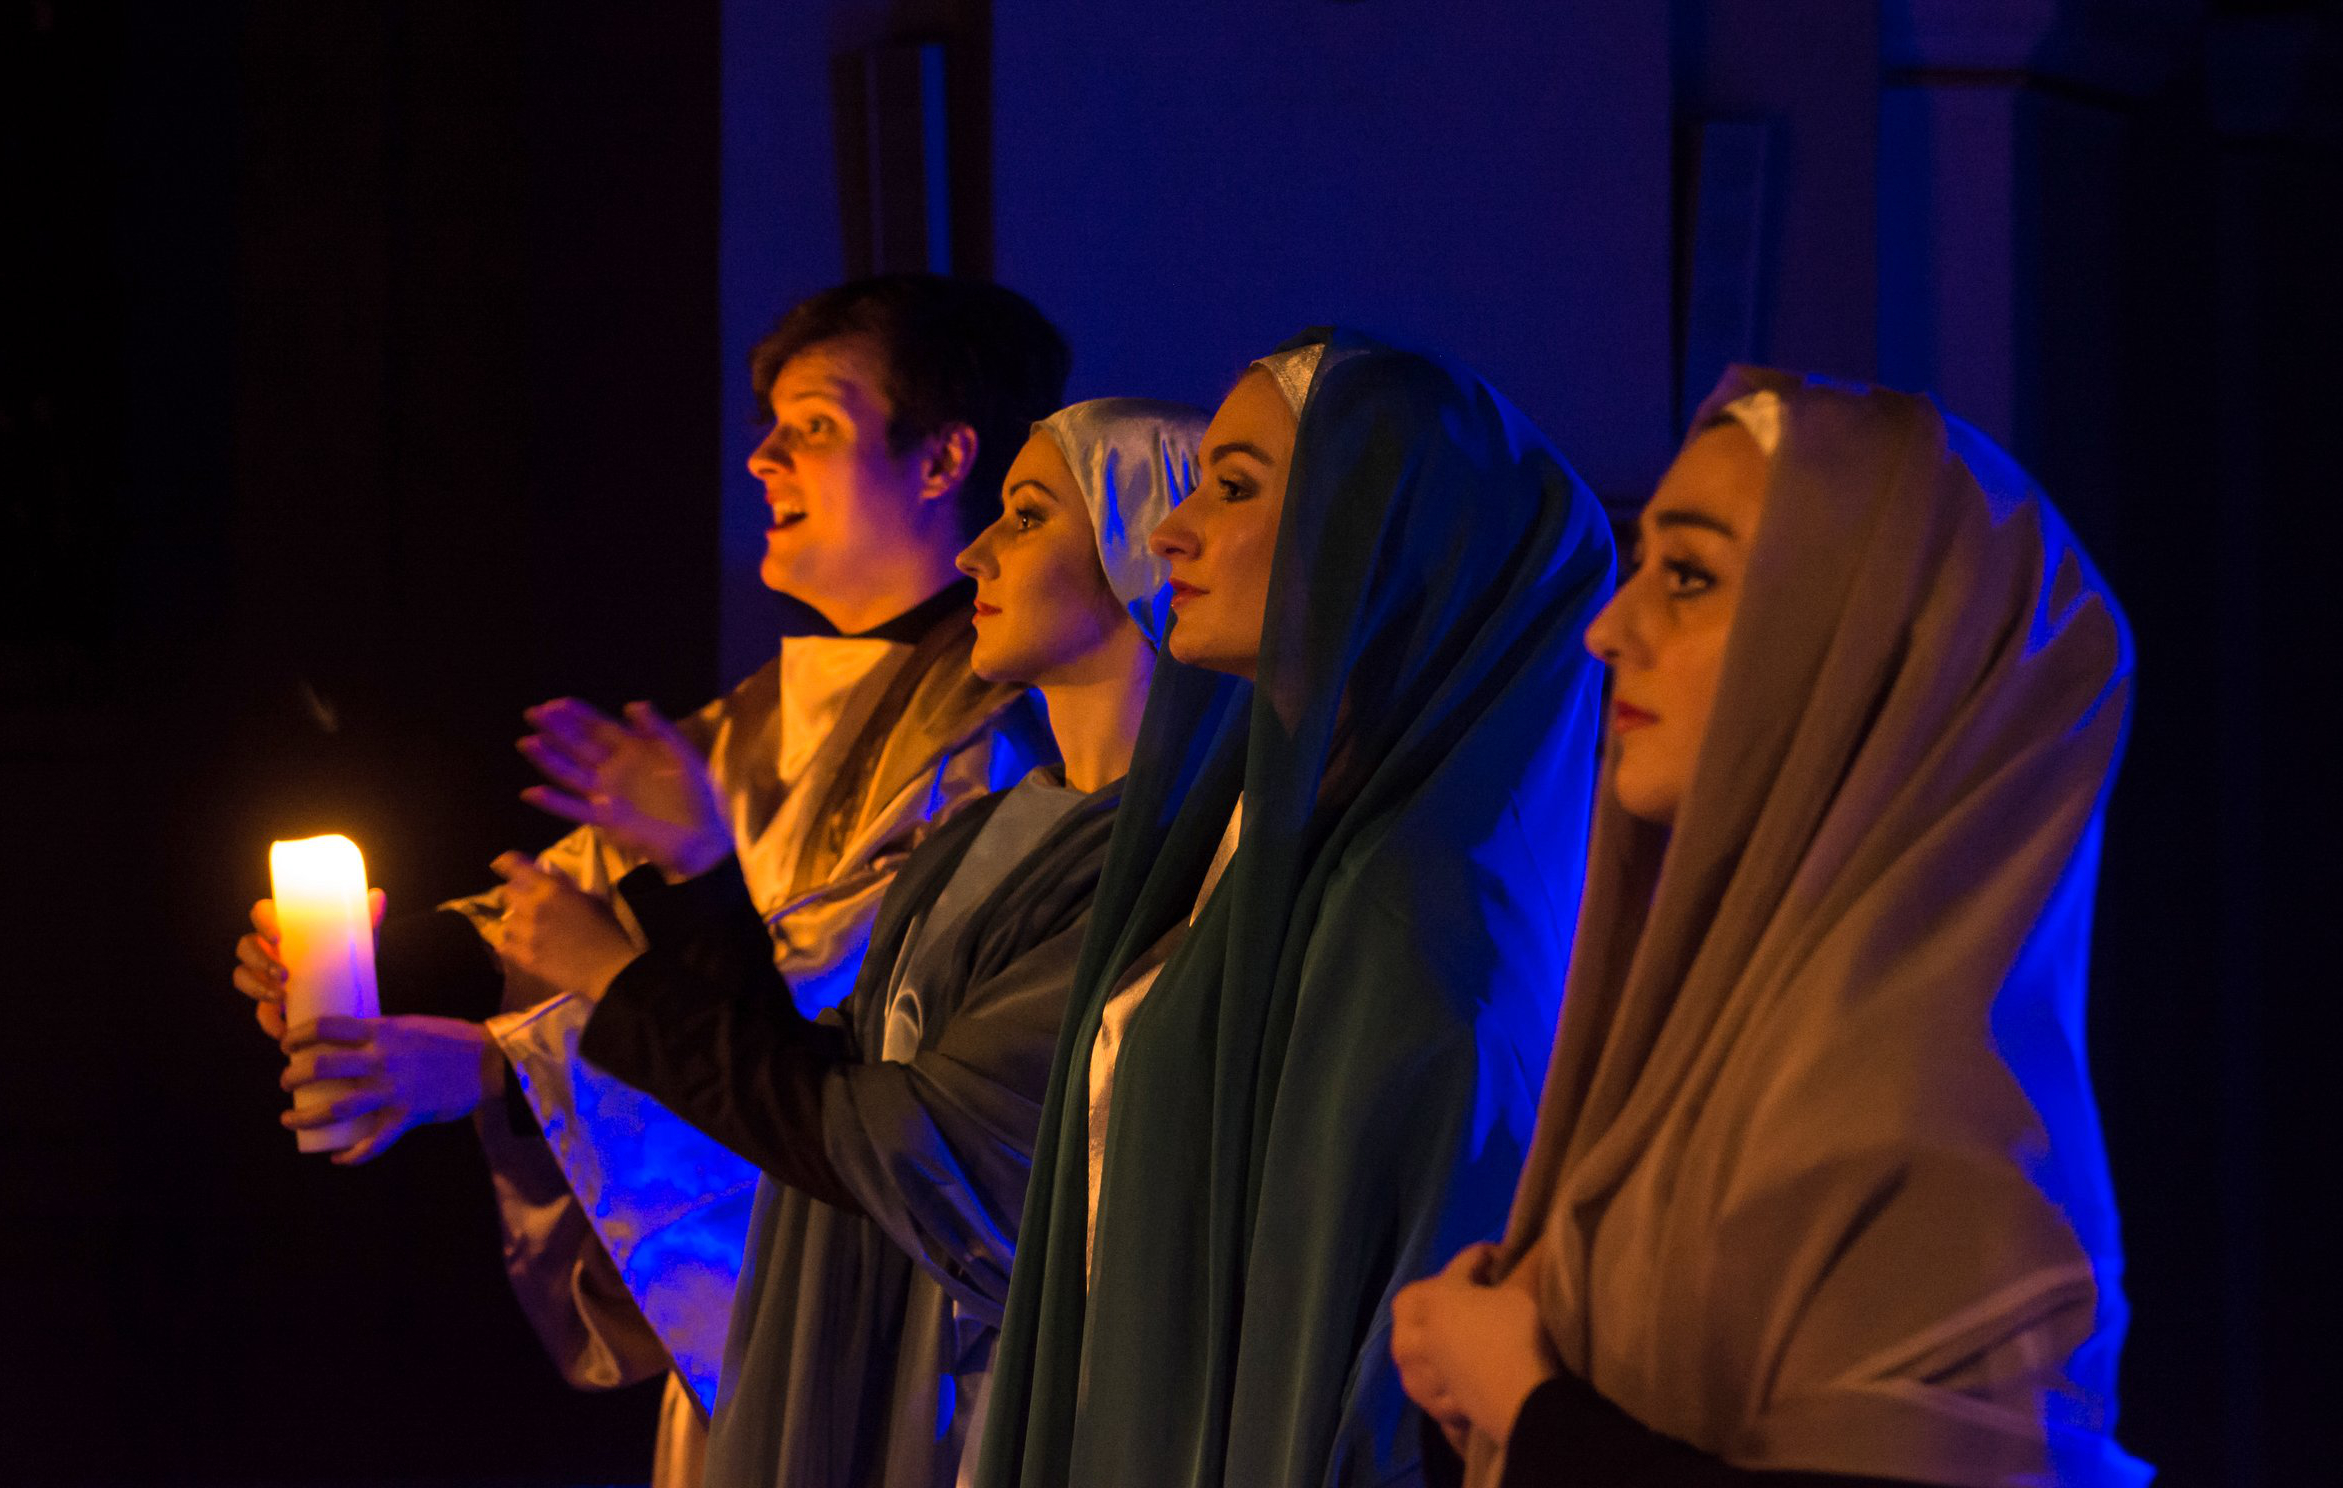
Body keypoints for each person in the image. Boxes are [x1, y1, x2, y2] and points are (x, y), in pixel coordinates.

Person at [232, 274, 1068, 1488]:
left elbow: (833, 1007)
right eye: (769, 425)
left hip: (904, 1338)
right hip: (754, 1349)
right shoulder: (758, 719)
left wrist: (492, 1068)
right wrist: (365, 961)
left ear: (944, 459)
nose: (762, 458)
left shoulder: (1003, 734)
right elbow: (571, 899)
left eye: (815, 425)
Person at [1389, 369, 2151, 1487]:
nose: (1609, 629)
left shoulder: (1934, 1148)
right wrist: (1480, 1391)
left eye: (1689, 577)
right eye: (1639, 566)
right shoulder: (1706, 1079)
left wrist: (1524, 1397)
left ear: (1875, 660)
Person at [477, 397, 1207, 1488]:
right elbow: (827, 1060)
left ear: (1146, 550)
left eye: (1026, 516)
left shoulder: (1146, 860)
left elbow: (900, 1139)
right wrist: (697, 881)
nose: (976, 553)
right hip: (872, 1343)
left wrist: (615, 985)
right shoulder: (981, 832)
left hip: (987, 1390)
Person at [974, 332, 1615, 1488]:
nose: (1169, 533)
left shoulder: (1412, 929)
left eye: (1234, 489)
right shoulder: (1235, 849)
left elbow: (1379, 1396)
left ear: (1390, 535)